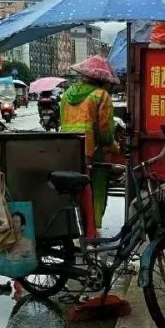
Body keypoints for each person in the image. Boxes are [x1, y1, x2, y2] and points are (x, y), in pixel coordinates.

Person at [60, 55, 119, 230]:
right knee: (95, 191)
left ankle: (72, 228)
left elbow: (62, 121)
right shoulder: (101, 95)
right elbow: (105, 130)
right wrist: (113, 145)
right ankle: (92, 229)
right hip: (92, 153)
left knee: (72, 191)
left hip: (67, 149)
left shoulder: (66, 95)